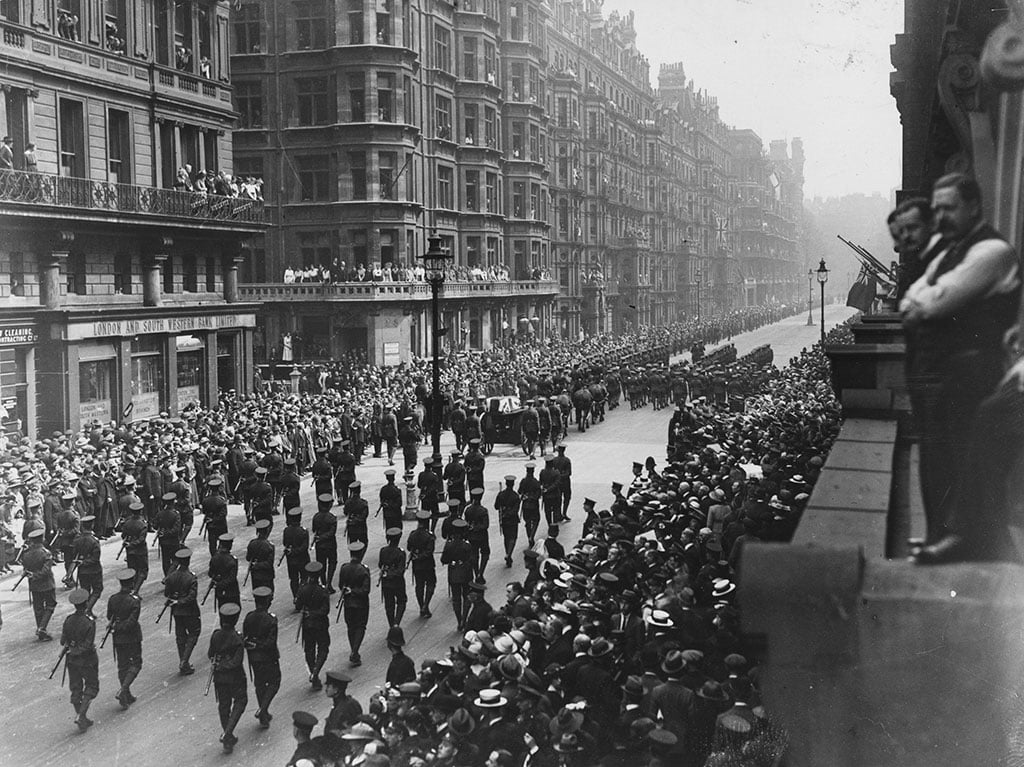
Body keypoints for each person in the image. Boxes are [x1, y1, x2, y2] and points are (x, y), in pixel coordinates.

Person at [902, 173, 1020, 552]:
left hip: (974, 372)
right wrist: (924, 299)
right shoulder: (949, 252)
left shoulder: (991, 252)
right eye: (936, 209)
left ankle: (972, 542)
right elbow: (911, 299)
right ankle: (941, 536)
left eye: (949, 208)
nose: (941, 216)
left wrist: (926, 300)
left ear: (974, 206)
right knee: (935, 461)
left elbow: (935, 302)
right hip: (941, 372)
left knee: (961, 458)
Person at [209, 602, 248, 754]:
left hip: (219, 677)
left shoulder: (216, 635)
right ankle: (227, 734)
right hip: (235, 676)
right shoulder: (237, 637)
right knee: (241, 700)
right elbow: (236, 662)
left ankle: (228, 737)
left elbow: (210, 654)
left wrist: (218, 664)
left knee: (224, 706)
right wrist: (225, 664)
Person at [61, 588, 99, 732]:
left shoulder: (68, 620)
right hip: (87, 659)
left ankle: (81, 716)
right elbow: (88, 645)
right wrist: (78, 650)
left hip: (71, 659)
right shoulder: (89, 621)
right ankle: (81, 715)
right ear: (86, 603)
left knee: (76, 688)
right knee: (91, 686)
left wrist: (72, 648)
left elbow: (63, 641)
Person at [243, 586, 281, 729]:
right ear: (266, 602)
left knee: (259, 684)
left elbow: (246, 638)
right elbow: (271, 642)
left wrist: (253, 646)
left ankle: (263, 715)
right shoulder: (271, 619)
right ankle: (262, 709)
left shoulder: (249, 617)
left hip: (254, 657)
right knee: (274, 682)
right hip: (268, 657)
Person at [106, 568, 142, 709]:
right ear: (132, 583)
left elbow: (110, 616)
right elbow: (132, 622)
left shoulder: (113, 599)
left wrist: (116, 627)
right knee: (136, 663)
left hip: (118, 638)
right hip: (132, 637)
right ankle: (123, 691)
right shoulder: (134, 600)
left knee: (122, 666)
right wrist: (121, 626)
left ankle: (126, 694)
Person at [888, 197, 935, 300]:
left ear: (932, 225)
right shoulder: (917, 262)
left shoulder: (942, 259)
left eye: (912, 228)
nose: (905, 237)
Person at [164, 547, 201, 675]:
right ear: (188, 561)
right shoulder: (191, 578)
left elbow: (167, 593)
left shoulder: (171, 576)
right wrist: (180, 601)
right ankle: (184, 661)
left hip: (176, 611)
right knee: (194, 633)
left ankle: (182, 661)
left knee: (180, 637)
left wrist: (175, 600)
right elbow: (192, 596)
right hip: (189, 611)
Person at [295, 561, 331, 689]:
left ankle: (313, 673)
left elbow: (298, 605)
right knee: (323, 648)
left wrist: (307, 612)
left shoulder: (303, 589)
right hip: (320, 624)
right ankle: (315, 672)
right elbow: (325, 610)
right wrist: (314, 613)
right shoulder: (322, 590)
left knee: (309, 649)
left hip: (307, 624)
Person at [336, 540, 370, 666]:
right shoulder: (363, 569)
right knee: (360, 626)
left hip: (348, 603)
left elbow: (340, 585)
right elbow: (366, 590)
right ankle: (355, 652)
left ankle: (353, 650)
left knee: (351, 626)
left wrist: (348, 591)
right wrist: (354, 591)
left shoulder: (344, 568)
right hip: (361, 603)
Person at [21, 528, 57, 640]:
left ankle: (41, 630)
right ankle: (41, 628)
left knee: (38, 608)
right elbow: (46, 571)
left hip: (34, 586)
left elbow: (25, 569)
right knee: (50, 605)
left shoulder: (26, 554)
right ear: (42, 539)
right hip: (46, 584)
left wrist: (32, 576)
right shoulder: (45, 553)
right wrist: (35, 575)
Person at [441, 518, 473, 630]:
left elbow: (443, 560)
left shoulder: (449, 545)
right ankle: (464, 619)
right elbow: (471, 559)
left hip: (454, 573)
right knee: (466, 596)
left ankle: (459, 620)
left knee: (456, 598)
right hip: (466, 573)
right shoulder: (467, 545)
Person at [407, 509, 437, 618]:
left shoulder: (412, 534)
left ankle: (421, 607)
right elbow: (429, 552)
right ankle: (426, 604)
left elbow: (409, 547)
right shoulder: (429, 536)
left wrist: (416, 555)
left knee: (419, 586)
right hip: (428, 564)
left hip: (416, 564)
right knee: (431, 583)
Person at [72, 515, 103, 615]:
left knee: (85, 591)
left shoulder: (77, 540)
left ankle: (87, 610)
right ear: (92, 525)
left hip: (82, 571)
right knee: (97, 590)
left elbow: (74, 555)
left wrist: (81, 562)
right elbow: (95, 558)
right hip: (94, 570)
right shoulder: (94, 540)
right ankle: (87, 610)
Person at [378, 527, 408, 627]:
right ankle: (396, 623)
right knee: (401, 601)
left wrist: (386, 573)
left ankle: (391, 624)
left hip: (386, 581)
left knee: (389, 605)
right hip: (397, 582)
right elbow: (400, 570)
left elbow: (380, 564)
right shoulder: (400, 552)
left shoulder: (383, 550)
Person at [282, 507, 311, 603]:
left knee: (293, 579)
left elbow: (285, 543)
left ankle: (295, 596)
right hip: (302, 559)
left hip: (291, 560)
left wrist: (291, 551)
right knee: (304, 578)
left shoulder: (286, 530)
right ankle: (301, 596)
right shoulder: (303, 531)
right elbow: (304, 547)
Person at [311, 493, 339, 592]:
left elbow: (314, 529)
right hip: (330, 544)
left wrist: (319, 537)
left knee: (321, 564)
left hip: (320, 544)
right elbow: (332, 533)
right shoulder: (332, 518)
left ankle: (323, 583)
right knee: (332, 563)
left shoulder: (316, 517)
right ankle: (328, 583)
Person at [323, 670, 362, 734]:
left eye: (328, 686)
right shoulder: (352, 702)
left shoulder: (340, 711)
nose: (326, 689)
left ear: (336, 690)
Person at [121, 501, 149, 591]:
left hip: (130, 551)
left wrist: (129, 543)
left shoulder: (127, 522)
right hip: (140, 551)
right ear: (141, 511)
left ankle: (131, 588)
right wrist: (133, 544)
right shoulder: (143, 523)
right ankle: (135, 591)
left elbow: (123, 536)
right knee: (142, 571)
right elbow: (141, 539)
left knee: (132, 570)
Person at [209, 533, 241, 609]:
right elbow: (232, 578)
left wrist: (218, 581)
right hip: (231, 592)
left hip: (220, 592)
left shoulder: (215, 558)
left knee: (222, 612)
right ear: (230, 545)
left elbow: (210, 573)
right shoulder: (232, 559)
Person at [496, 475, 521, 567]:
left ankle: (508, 554)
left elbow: (496, 506)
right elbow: (515, 510)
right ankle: (509, 554)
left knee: (506, 538)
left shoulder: (501, 494)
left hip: (504, 519)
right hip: (512, 519)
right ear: (513, 484)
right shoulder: (515, 496)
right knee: (513, 538)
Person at [246, 518, 276, 593]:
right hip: (267, 576)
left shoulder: (252, 543)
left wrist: (255, 564)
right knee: (268, 597)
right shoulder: (270, 545)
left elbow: (248, 558)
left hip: (255, 576)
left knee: (257, 597)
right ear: (267, 531)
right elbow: (269, 564)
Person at [518, 462, 541, 548]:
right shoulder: (535, 482)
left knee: (527, 522)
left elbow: (519, 491)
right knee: (536, 520)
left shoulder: (523, 481)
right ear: (533, 471)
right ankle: (532, 536)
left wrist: (525, 496)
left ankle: (529, 536)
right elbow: (538, 494)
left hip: (525, 504)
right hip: (534, 504)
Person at [551, 444, 573, 522]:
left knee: (558, 499)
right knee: (567, 498)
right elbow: (569, 473)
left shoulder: (554, 460)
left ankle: (559, 513)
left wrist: (557, 477)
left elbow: (551, 471)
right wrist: (562, 475)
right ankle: (564, 513)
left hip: (557, 483)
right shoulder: (567, 460)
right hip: (565, 482)